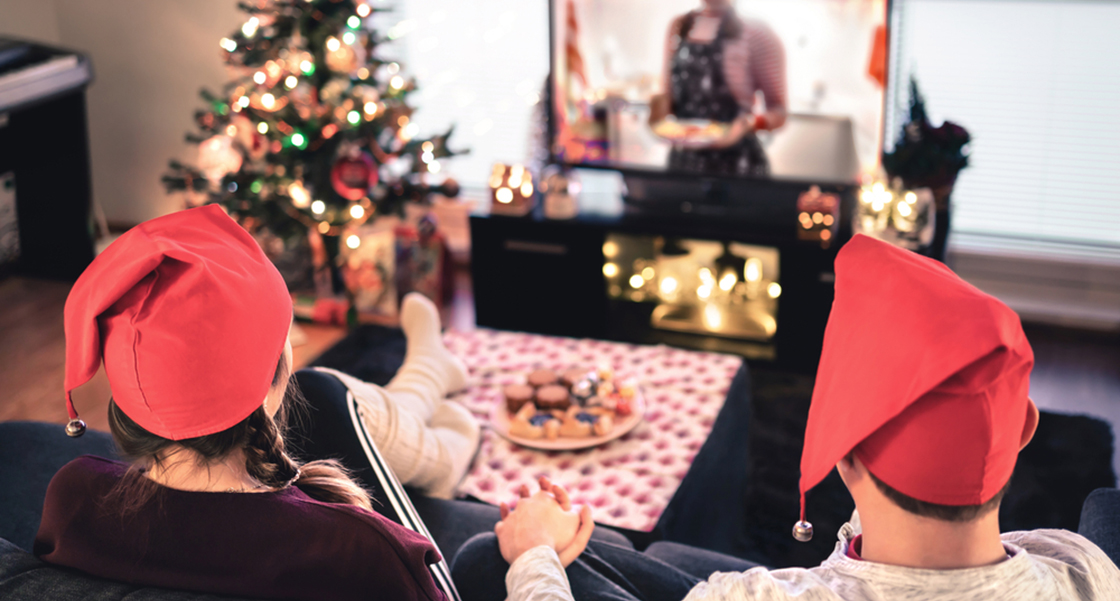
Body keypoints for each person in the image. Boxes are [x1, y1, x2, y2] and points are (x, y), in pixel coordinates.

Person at [452, 233, 1120, 600]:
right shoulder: (1085, 568)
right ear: (1025, 431)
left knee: (491, 557)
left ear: (845, 449)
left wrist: (535, 553)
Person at [34, 204, 479, 601]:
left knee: (328, 394)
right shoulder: (367, 550)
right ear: (268, 387)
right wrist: (529, 554)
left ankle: (429, 373)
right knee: (326, 393)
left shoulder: (72, 498)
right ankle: (441, 418)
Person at [649, 0, 787, 177]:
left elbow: (779, 111)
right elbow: (667, 98)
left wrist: (747, 124)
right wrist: (656, 111)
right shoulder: (678, 26)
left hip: (739, 169)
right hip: (683, 166)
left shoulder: (757, 33)